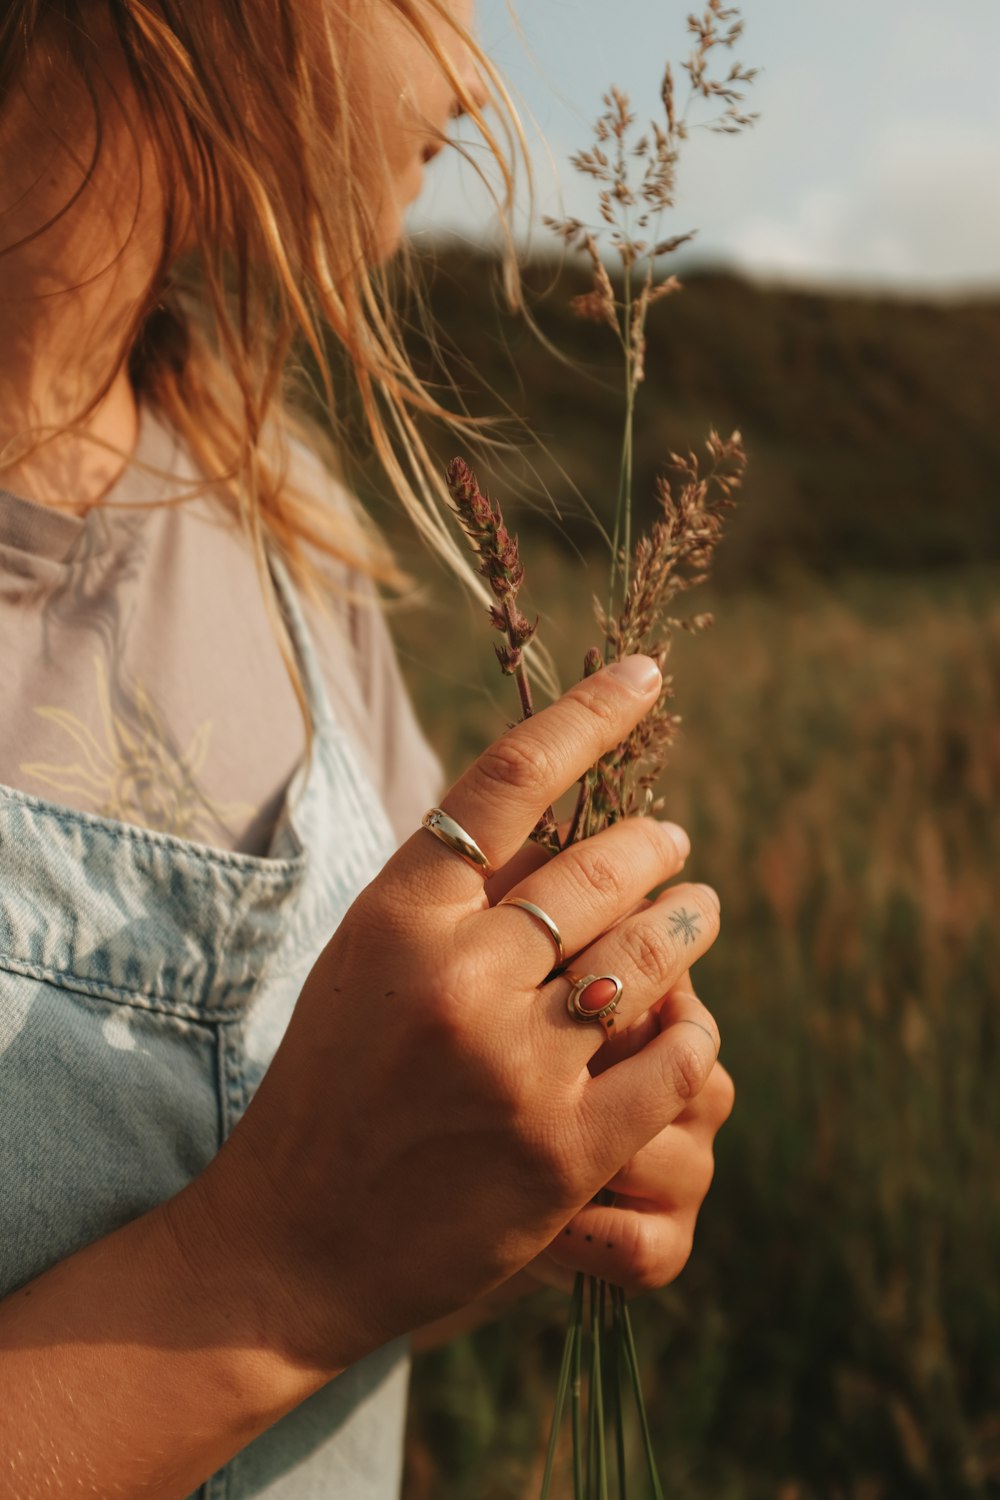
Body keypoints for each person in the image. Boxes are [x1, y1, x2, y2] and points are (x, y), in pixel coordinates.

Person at [0, 2, 735, 1496]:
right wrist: (276, 1272)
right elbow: (311, 1246)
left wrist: (518, 1182)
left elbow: (382, 1211)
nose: (476, 78)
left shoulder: (284, 524)